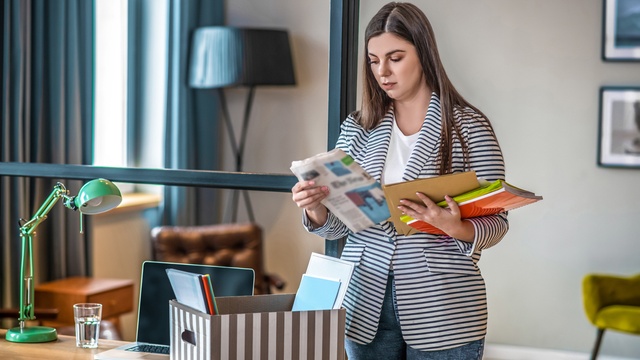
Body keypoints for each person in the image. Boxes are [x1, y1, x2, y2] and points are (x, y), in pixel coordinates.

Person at [291, 2, 508, 359]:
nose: (383, 71)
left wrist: (454, 227)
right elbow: (339, 226)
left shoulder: (469, 128)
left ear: (423, 54)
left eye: (395, 57)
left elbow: (498, 222)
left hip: (443, 307)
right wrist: (315, 209)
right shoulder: (357, 128)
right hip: (365, 300)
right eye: (374, 60)